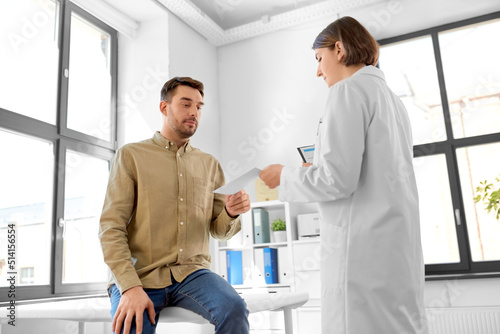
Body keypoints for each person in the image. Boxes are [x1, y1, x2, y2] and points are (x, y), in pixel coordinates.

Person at [260, 17, 427, 334]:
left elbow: (336, 181)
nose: (319, 71)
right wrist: (320, 168)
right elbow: (368, 170)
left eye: (319, 59)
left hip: (360, 254)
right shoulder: (391, 100)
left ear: (339, 48)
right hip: (395, 250)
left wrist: (284, 176)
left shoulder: (346, 92)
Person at [99, 76, 251, 334]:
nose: (194, 112)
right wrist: (130, 287)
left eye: (199, 106)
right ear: (164, 107)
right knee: (133, 326)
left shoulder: (209, 163)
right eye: (186, 104)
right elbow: (111, 228)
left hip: (193, 274)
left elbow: (219, 230)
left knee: (234, 308)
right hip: (141, 275)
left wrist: (230, 212)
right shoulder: (131, 156)